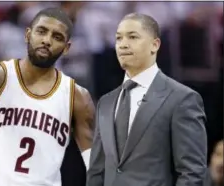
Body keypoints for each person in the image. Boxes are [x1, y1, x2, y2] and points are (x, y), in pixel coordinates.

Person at [0, 8, 94, 186]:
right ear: (28, 34)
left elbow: (93, 163)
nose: (46, 41)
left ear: (67, 48)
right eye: (41, 31)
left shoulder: (77, 97)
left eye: (57, 37)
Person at [87, 13, 208, 186]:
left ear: (155, 44)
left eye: (133, 37)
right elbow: (96, 172)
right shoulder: (105, 103)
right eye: (118, 38)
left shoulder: (182, 99)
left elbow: (192, 173)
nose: (123, 44)